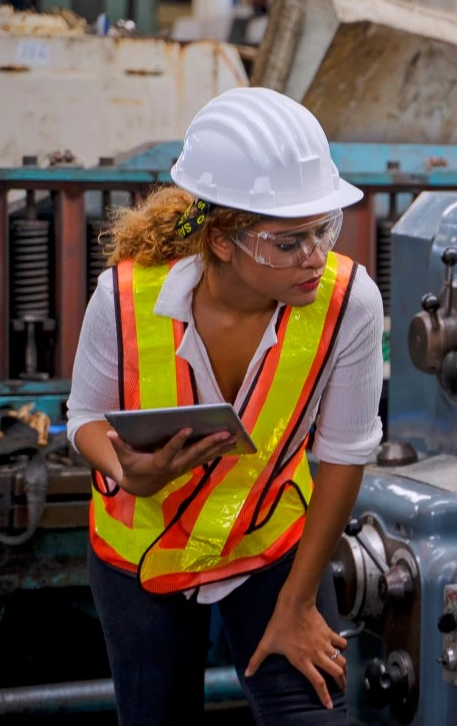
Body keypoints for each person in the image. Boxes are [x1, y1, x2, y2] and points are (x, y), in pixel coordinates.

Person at [67, 87, 383, 725]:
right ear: (220, 240)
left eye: (325, 229)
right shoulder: (123, 299)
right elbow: (83, 418)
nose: (315, 257)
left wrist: (297, 605)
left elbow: (345, 455)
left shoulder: (348, 302)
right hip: (142, 550)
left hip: (270, 545)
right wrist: (130, 471)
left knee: (316, 715)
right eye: (288, 241)